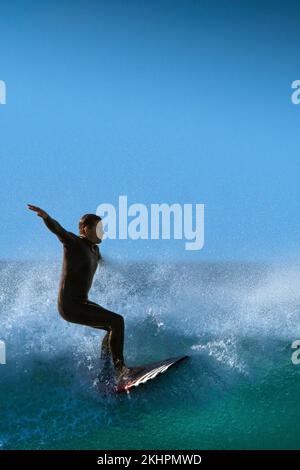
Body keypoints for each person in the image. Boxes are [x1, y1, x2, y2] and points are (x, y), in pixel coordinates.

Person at [27, 204, 130, 379]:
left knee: (111, 327)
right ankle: (120, 370)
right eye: (98, 228)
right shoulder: (73, 243)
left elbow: (105, 263)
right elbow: (58, 230)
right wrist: (46, 217)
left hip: (81, 302)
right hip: (70, 306)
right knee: (117, 321)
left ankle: (106, 374)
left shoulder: (95, 250)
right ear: (85, 229)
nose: (102, 232)